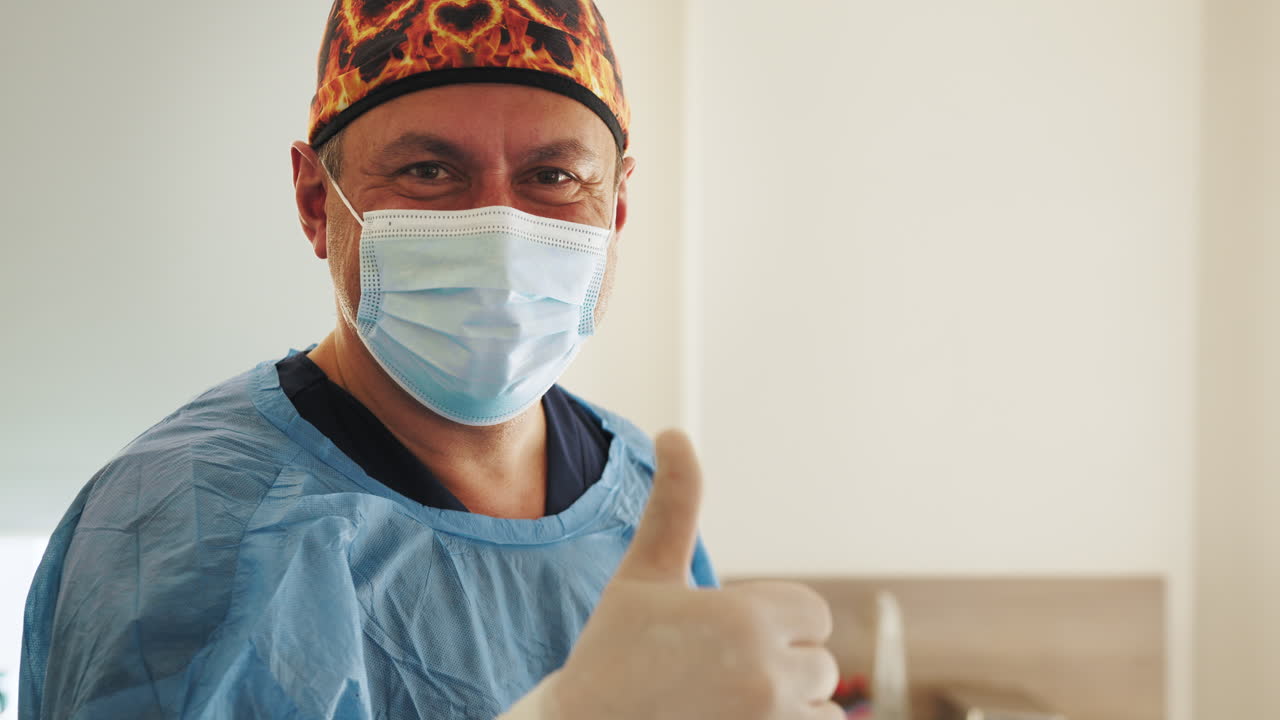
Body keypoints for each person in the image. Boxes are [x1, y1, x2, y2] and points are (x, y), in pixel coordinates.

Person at [19, 2, 840, 718]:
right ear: (316, 203)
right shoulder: (192, 524)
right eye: (428, 171)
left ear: (616, 207)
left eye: (553, 176)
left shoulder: (641, 498)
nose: (500, 229)